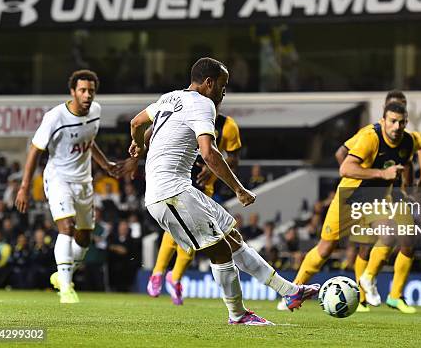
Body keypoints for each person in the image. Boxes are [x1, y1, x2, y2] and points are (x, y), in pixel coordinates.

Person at [128, 57, 318, 325]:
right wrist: (239, 189)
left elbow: (137, 123)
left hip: (180, 190)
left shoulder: (169, 98)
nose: (224, 92)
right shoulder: (204, 104)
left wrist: (139, 146)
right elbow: (209, 152)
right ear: (208, 83)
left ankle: (290, 292)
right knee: (219, 251)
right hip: (170, 194)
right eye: (223, 85)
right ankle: (238, 315)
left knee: (233, 238)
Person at [289, 91, 421, 313]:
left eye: (402, 122)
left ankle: (368, 280)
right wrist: (381, 175)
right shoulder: (369, 137)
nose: (397, 126)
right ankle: (293, 291)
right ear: (383, 119)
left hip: (375, 199)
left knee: (391, 233)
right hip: (349, 196)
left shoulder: (408, 141)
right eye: (393, 121)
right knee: (326, 248)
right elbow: (344, 166)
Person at [15, 69, 127, 303]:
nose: (88, 95)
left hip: (84, 182)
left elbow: (88, 141)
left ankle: (62, 275)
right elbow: (35, 150)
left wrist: (105, 164)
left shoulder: (95, 111)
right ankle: (66, 288)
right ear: (73, 92)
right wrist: (24, 187)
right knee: (66, 227)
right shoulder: (55, 117)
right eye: (83, 90)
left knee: (84, 238)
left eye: (91, 91)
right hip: (59, 179)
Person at [146, 108, 243, 305]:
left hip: (202, 187)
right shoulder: (184, 113)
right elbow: (150, 134)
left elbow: (233, 157)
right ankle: (163, 275)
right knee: (179, 230)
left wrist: (213, 167)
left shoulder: (227, 125)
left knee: (190, 236)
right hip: (176, 179)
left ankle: (168, 276)